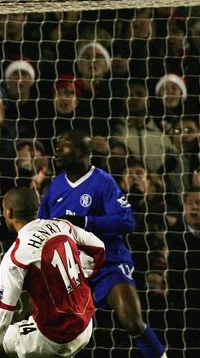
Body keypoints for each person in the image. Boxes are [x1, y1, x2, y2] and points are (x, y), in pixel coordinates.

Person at [37, 129, 167, 358]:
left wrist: (85, 221)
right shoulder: (55, 186)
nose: (57, 150)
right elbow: (41, 226)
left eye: (64, 145)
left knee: (131, 320)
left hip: (109, 263)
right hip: (72, 270)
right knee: (59, 332)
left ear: (84, 152)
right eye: (57, 145)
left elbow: (127, 221)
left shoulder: (103, 182)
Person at [0, 186, 105, 357]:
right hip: (85, 326)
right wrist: (79, 274)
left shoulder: (16, 256)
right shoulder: (62, 225)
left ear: (8, 212)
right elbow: (99, 247)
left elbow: (3, 311)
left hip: (53, 337)